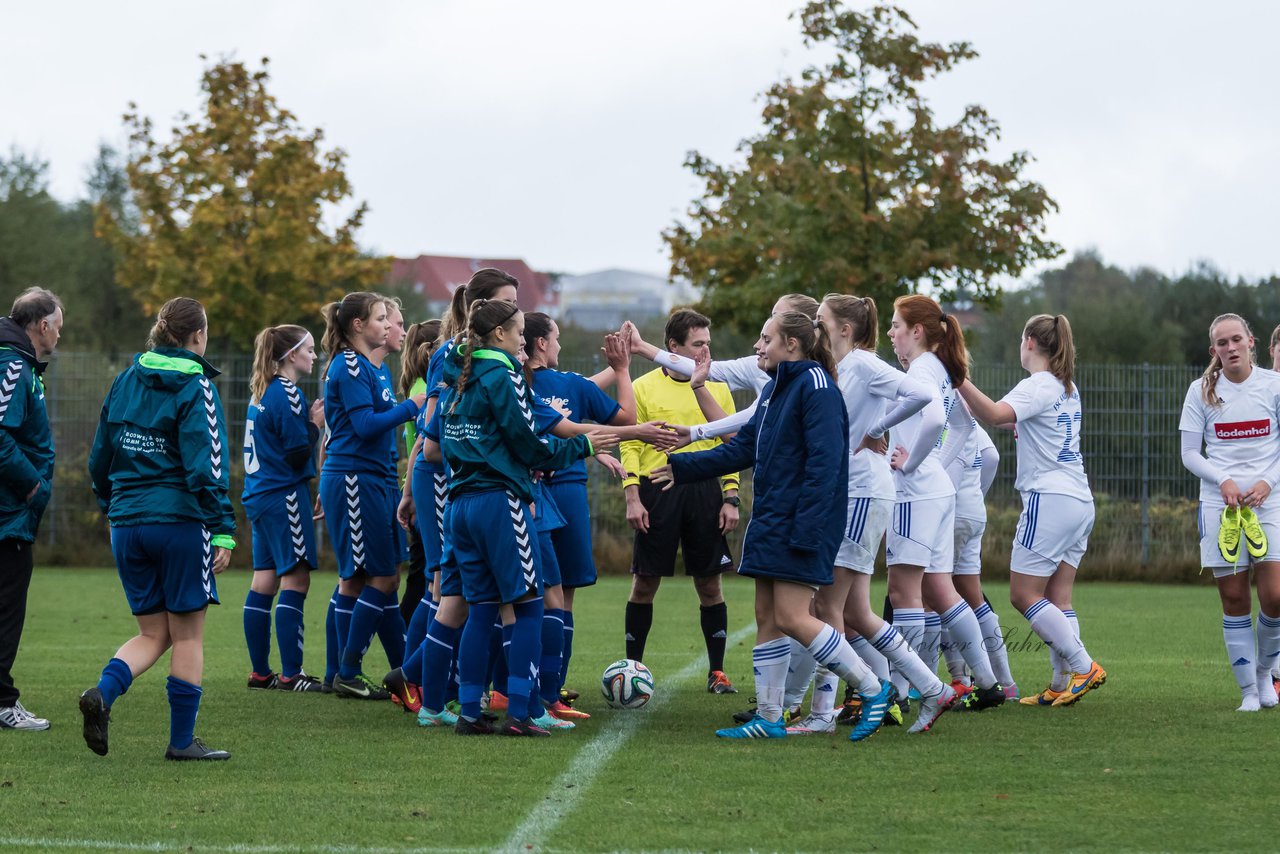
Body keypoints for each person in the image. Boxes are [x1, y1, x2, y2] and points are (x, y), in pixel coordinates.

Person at [652, 311, 896, 741]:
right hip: (771, 519)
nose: (757, 347)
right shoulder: (775, 390)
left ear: (793, 345)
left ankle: (874, 689)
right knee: (767, 615)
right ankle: (769, 717)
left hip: (799, 523)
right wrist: (681, 467)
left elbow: (825, 467)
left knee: (792, 616)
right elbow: (743, 448)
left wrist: (808, 528)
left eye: (766, 339)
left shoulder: (817, 387)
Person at [439, 299, 608, 735]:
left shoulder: (457, 369)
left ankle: (470, 714)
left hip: (459, 504)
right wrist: (584, 447)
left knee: (480, 609)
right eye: (517, 331)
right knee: (530, 605)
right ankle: (519, 713)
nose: (522, 340)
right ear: (499, 334)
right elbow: (527, 442)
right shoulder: (504, 373)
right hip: (499, 501)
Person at [780, 293, 945, 735]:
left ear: (844, 329)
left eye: (820, 320)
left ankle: (824, 713)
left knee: (825, 606)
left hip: (862, 494)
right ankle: (932, 688)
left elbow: (924, 394)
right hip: (854, 493)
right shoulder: (834, 368)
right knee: (856, 612)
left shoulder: (862, 363)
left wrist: (876, 429)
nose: (815, 326)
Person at [81, 297, 235, 760]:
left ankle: (103, 695)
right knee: (187, 635)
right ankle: (182, 742)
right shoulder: (197, 386)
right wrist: (222, 527)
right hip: (180, 523)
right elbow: (204, 467)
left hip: (127, 524)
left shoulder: (126, 379)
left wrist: (113, 506)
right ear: (198, 336)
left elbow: (99, 458)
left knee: (153, 633)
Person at [957, 312, 1107, 708]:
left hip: (1050, 499)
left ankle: (1083, 665)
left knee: (1023, 594)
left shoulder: (1037, 384)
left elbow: (993, 414)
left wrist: (956, 377)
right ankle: (1062, 682)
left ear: (1029, 343)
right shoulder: (1065, 387)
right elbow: (1011, 420)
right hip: (1079, 500)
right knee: (1059, 598)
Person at [883, 294, 1004, 728]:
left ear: (917, 331)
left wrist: (913, 462)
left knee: (904, 594)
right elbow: (965, 426)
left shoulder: (921, 369)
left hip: (916, 492)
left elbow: (935, 421)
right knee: (939, 590)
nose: (892, 333)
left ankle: (899, 694)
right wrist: (934, 462)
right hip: (938, 492)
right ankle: (987, 684)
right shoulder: (940, 369)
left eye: (896, 325)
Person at [521, 312, 636, 718]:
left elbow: (579, 396)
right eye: (555, 338)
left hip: (516, 491)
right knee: (561, 594)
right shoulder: (568, 385)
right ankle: (551, 691)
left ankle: (512, 688)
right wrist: (622, 369)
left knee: (512, 595)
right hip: (562, 490)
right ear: (540, 344)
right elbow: (627, 418)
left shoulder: (510, 382)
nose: (558, 345)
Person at [620, 308, 740, 694]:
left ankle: (717, 672)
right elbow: (631, 445)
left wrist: (731, 498)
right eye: (698, 344)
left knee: (710, 585)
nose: (706, 351)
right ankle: (632, 669)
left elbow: (732, 447)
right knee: (644, 584)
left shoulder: (717, 386)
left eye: (708, 343)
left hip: (705, 490)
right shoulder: (643, 388)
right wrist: (633, 496)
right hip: (658, 489)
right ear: (673, 347)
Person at [319, 292, 425, 699]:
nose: (388, 325)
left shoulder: (371, 368)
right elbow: (363, 426)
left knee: (366, 579)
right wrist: (411, 407)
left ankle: (343, 672)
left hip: (373, 479)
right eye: (381, 318)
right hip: (355, 479)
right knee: (378, 577)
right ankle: (347, 670)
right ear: (358, 326)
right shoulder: (348, 365)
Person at [1177, 313, 1280, 711]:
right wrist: (1223, 480)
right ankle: (1249, 693)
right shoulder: (1199, 391)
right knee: (1235, 598)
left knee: (1274, 597)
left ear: (1252, 341)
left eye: (1237, 339)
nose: (1231, 347)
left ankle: (1264, 673)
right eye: (1222, 343)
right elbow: (1188, 453)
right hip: (1221, 505)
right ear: (1213, 351)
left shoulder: (1273, 386)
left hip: (1268, 499)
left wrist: (1267, 483)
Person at [241, 324, 325, 692]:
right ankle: (292, 674)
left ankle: (261, 672)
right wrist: (313, 424)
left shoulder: (262, 391)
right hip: (283, 494)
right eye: (309, 349)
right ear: (291, 355)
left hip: (259, 494)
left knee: (264, 578)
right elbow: (294, 451)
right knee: (296, 577)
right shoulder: (287, 392)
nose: (315, 355)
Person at [0, 287, 63, 733]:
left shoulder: (20, 364)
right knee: (6, 610)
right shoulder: (10, 364)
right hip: (7, 516)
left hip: (11, 513)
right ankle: (3, 703)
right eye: (59, 326)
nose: (60, 334)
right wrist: (33, 486)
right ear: (42, 325)